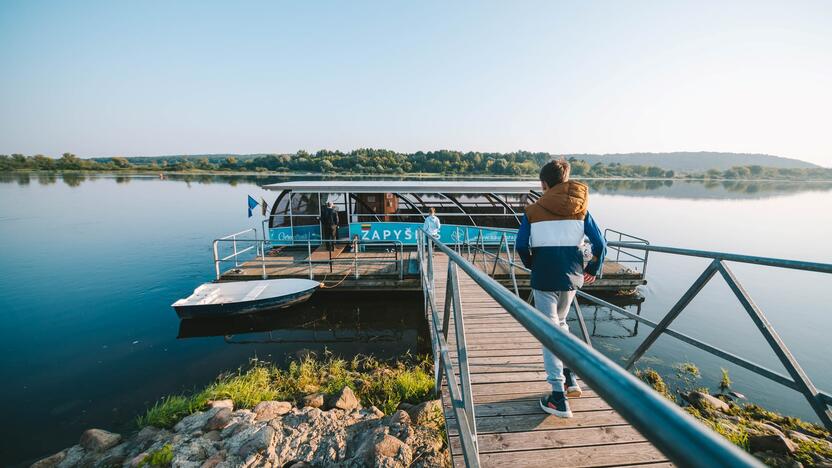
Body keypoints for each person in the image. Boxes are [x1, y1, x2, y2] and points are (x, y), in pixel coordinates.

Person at [515, 159, 606, 418]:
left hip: (545, 279)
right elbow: (600, 244)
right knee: (562, 324)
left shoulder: (532, 211)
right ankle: (570, 377)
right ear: (565, 180)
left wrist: (533, 263)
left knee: (548, 332)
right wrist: (592, 270)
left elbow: (521, 246)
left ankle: (558, 397)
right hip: (572, 279)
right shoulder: (582, 209)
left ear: (544, 184)